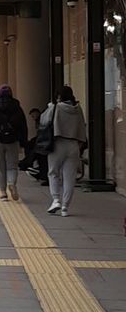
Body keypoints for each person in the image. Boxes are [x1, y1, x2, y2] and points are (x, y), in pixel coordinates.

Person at [40, 86, 87, 217]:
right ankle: (65, 207)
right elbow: (82, 127)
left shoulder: (56, 107)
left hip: (58, 143)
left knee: (53, 172)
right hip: (73, 144)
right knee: (69, 177)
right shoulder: (78, 109)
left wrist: (49, 107)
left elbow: (43, 120)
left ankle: (56, 200)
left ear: (59, 96)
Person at [0, 84, 28, 200]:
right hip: (13, 141)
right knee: (12, 166)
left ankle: (3, 193)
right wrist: (24, 142)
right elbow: (23, 126)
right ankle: (12, 183)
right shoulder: (17, 108)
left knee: (0, 168)